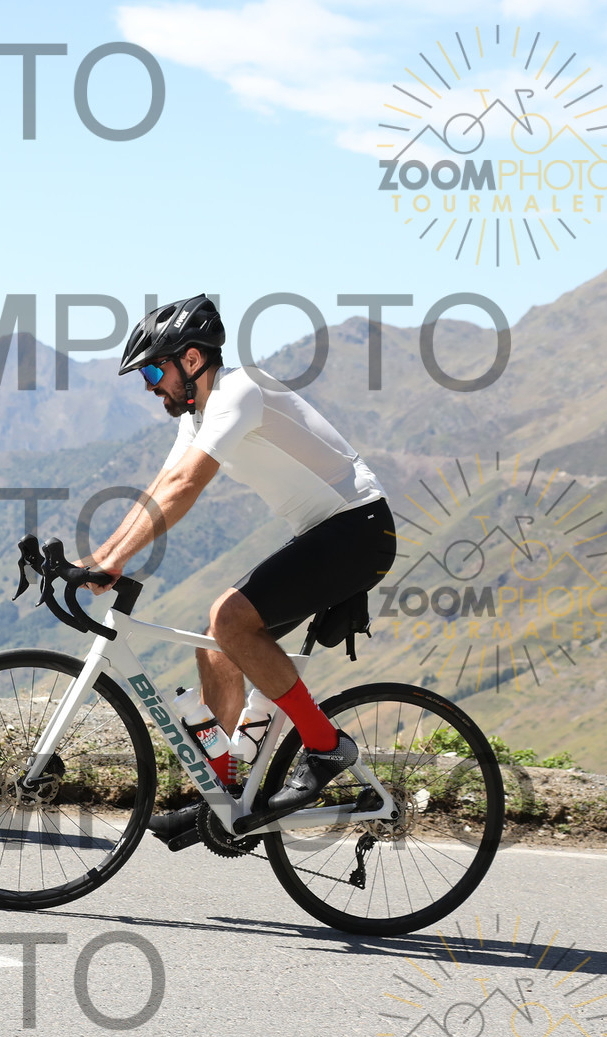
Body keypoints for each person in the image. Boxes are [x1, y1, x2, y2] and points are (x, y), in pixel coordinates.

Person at [79, 294, 396, 846]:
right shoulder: (198, 415)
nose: (149, 386)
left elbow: (186, 485)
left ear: (192, 359)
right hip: (327, 533)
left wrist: (113, 560)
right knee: (215, 646)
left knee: (229, 618)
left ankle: (326, 747)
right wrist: (99, 558)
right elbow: (160, 489)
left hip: (359, 529)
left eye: (153, 371)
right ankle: (222, 798)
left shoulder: (239, 391)